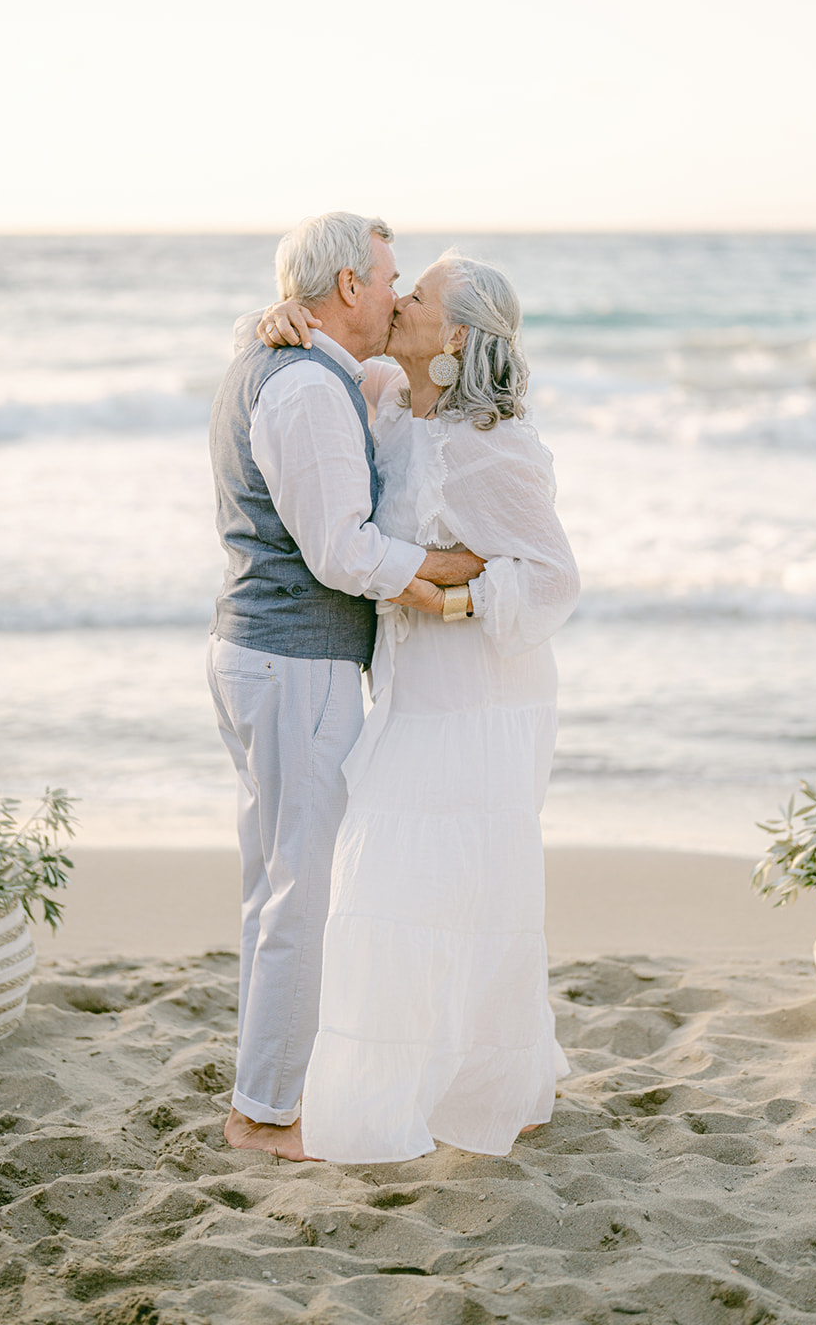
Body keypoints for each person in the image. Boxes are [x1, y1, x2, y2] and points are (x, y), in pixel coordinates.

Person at [257, 248, 580, 1162]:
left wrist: (451, 599)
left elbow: (554, 580)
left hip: (480, 699)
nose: (396, 299)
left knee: (446, 883)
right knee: (414, 884)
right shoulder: (388, 402)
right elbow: (306, 359)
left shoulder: (497, 451)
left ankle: (465, 1087)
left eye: (419, 295)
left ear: (456, 337)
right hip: (407, 690)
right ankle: (434, 1080)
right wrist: (270, 320)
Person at [207, 213, 486, 1161]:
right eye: (388, 275)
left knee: (275, 884)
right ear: (347, 290)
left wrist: (262, 318)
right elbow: (340, 552)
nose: (398, 289)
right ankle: (266, 1114)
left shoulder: (293, 367)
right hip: (298, 664)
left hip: (266, 657)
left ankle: (263, 1090)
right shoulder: (306, 392)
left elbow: (371, 398)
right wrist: (441, 569)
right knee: (302, 892)